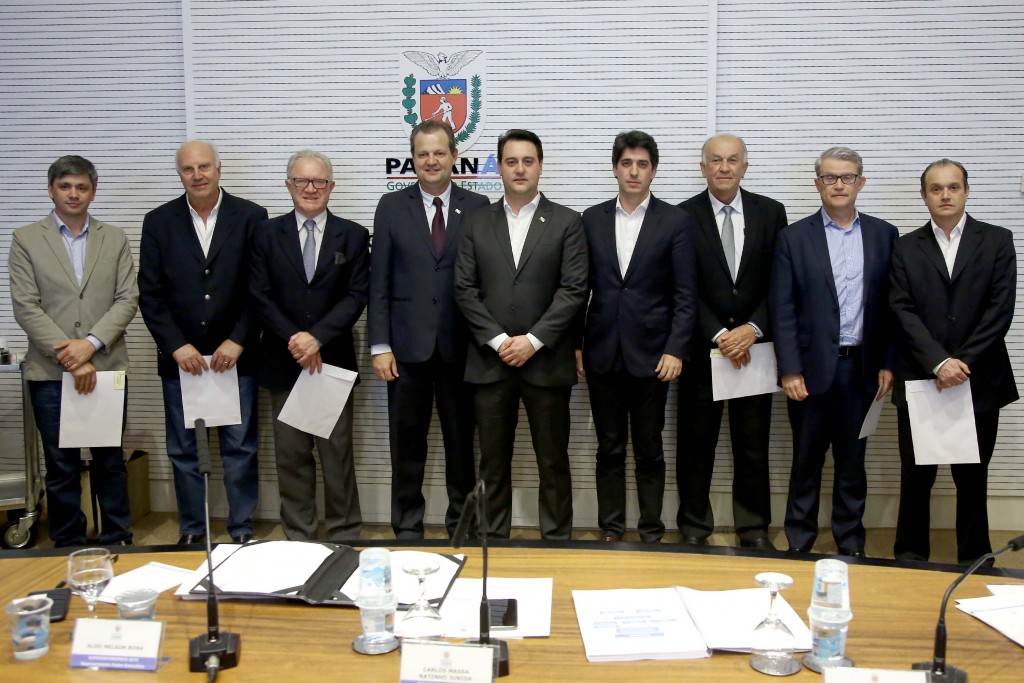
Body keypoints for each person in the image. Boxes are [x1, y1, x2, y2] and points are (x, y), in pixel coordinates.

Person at [454, 129, 588, 539]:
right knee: (493, 462)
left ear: (541, 166)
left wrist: (531, 340)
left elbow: (574, 289)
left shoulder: (567, 221)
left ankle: (557, 540)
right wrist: (499, 341)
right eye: (511, 161)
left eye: (528, 161)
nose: (520, 169)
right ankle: (495, 540)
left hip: (546, 362)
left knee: (552, 461)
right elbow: (464, 288)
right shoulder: (477, 221)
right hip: (490, 363)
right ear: (498, 167)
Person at [769, 146, 898, 557]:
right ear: (818, 184)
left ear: (861, 182)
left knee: (852, 463)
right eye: (830, 177)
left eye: (847, 177)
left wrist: (888, 363)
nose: (838, 184)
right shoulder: (793, 237)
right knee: (806, 463)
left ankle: (850, 543)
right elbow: (782, 308)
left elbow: (894, 307)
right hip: (809, 371)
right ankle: (800, 542)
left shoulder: (884, 235)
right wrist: (789, 370)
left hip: (862, 369)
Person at [139, 140, 267, 546]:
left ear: (219, 169)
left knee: (240, 447)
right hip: (182, 361)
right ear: (179, 174)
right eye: (188, 169)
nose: (197, 175)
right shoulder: (158, 221)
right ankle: (193, 530)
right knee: (184, 451)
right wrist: (176, 345)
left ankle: (242, 528)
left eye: (204, 167)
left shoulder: (251, 216)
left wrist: (239, 340)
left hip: (235, 357)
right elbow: (150, 293)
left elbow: (259, 289)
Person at [889, 159, 1017, 564]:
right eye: (936, 188)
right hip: (922, 378)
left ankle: (976, 558)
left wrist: (961, 362)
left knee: (971, 478)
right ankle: (910, 557)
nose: (945, 195)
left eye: (953, 187)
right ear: (924, 195)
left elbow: (1000, 310)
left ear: (966, 190)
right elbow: (901, 309)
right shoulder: (905, 246)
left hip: (979, 379)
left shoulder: (997, 240)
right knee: (917, 477)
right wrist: (938, 362)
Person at [8, 155, 138, 547]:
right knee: (61, 465)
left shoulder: (113, 238)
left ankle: (117, 537)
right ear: (51, 190)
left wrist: (90, 346)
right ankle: (67, 541)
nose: (73, 194)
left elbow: (127, 299)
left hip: (107, 366)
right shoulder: (27, 238)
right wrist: (70, 355)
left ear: (93, 192)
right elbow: (26, 306)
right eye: (65, 186)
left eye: (81, 187)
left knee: (109, 461)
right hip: (50, 373)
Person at [368, 121, 489, 539]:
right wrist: (379, 345)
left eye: (439, 152)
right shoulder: (390, 207)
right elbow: (378, 281)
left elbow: (485, 282)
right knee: (406, 446)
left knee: (461, 446)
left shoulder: (478, 206)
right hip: (404, 350)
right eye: (423, 154)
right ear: (412, 161)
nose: (431, 161)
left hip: (462, 349)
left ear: (454, 156)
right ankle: (406, 528)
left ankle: (462, 526)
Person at [576, 130, 695, 543]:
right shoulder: (590, 219)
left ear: (654, 171)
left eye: (642, 164)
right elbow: (578, 289)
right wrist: (577, 344)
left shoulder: (676, 221)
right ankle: (610, 529)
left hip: (654, 358)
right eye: (626, 163)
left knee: (649, 449)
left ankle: (651, 531)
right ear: (614, 168)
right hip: (602, 353)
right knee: (608, 448)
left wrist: (676, 348)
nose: (634, 171)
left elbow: (685, 293)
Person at [249, 150, 369, 541]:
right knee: (292, 456)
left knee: (336, 456)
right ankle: (299, 536)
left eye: (319, 181)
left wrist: (318, 337)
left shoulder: (351, 235)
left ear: (332, 187)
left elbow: (356, 296)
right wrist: (296, 339)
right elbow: (260, 295)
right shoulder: (266, 234)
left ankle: (344, 533)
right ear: (288, 185)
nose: (311, 188)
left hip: (330, 362)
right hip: (285, 362)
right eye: (302, 181)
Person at [676, 134, 788, 549]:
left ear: (745, 166)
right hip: (703, 349)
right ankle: (693, 527)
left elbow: (781, 280)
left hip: (755, 349)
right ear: (702, 167)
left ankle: (754, 527)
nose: (724, 168)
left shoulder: (770, 213)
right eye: (715, 161)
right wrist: (720, 334)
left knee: (753, 444)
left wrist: (752, 329)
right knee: (695, 444)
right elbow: (682, 285)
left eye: (733, 160)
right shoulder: (682, 216)